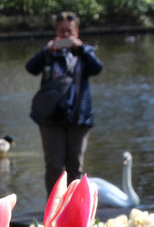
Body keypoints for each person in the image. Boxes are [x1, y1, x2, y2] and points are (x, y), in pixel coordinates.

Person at [26, 11, 103, 194]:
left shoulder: (85, 54)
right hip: (51, 117)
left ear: (76, 33)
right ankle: (53, 210)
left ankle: (75, 208)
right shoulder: (49, 55)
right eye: (62, 32)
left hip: (78, 116)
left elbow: (97, 68)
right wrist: (47, 50)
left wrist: (82, 49)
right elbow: (31, 68)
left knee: (75, 166)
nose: (66, 36)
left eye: (69, 32)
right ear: (56, 33)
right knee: (54, 166)